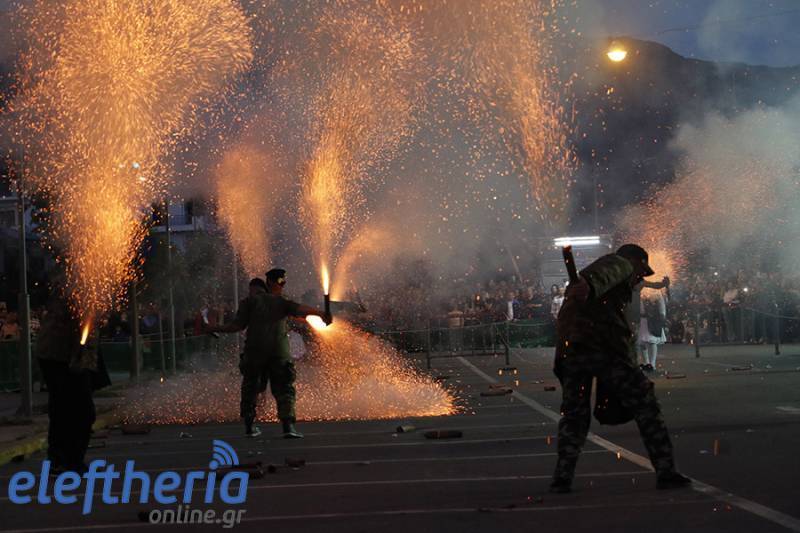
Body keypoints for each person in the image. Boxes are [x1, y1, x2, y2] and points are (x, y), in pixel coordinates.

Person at [551, 244, 691, 493]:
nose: (639, 277)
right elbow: (602, 276)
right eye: (641, 271)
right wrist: (589, 285)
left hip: (573, 352)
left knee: (574, 415)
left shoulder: (607, 280)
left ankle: (562, 477)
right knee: (645, 403)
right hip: (605, 351)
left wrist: (587, 286)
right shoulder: (621, 263)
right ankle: (666, 471)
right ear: (635, 261)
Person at [207, 269, 330, 439]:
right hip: (278, 353)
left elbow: (236, 326)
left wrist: (213, 328)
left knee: (251, 388)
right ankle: (288, 427)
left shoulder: (249, 302)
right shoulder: (281, 302)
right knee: (284, 388)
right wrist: (321, 313)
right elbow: (300, 309)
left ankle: (250, 427)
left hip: (254, 352)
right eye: (281, 281)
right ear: (272, 283)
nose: (282, 284)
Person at [35, 294, 99, 473]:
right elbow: (76, 323)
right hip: (58, 355)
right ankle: (62, 460)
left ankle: (69, 459)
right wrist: (79, 356)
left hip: (62, 354)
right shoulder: (74, 291)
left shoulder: (85, 290)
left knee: (71, 410)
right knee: (69, 409)